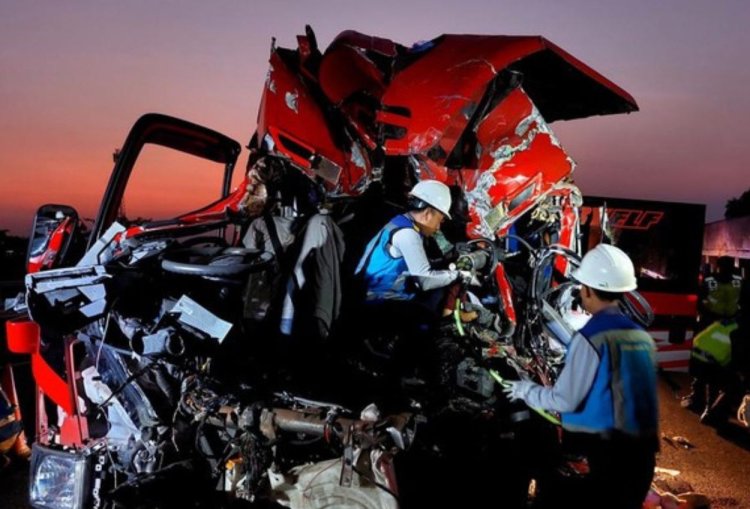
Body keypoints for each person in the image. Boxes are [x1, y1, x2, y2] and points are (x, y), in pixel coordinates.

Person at [504, 244, 659, 509]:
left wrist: (523, 390)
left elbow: (564, 400)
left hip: (610, 459)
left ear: (586, 289)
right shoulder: (640, 336)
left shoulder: (590, 338)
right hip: (642, 455)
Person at [355, 179, 472, 320]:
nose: (438, 227)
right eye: (440, 220)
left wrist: (449, 261)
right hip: (379, 301)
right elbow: (425, 280)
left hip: (378, 297)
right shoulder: (407, 234)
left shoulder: (401, 222)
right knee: (433, 325)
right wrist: (460, 275)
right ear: (428, 213)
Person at [682, 256, 743, 418]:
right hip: (726, 327)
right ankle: (705, 402)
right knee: (715, 366)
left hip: (713, 326)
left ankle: (702, 402)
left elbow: (700, 303)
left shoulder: (711, 281)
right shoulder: (738, 281)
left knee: (706, 365)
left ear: (717, 266)